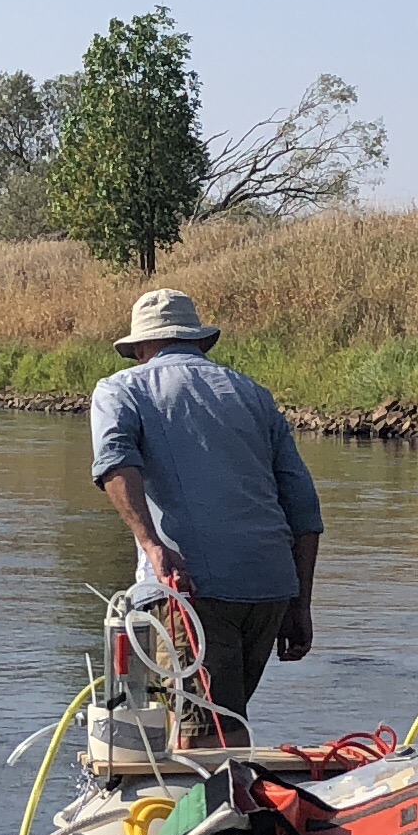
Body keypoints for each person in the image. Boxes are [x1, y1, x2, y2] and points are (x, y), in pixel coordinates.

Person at [89, 286, 324, 723]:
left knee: (206, 735)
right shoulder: (253, 394)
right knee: (225, 717)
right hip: (270, 590)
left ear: (140, 346)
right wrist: (300, 603)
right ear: (197, 340)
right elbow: (303, 507)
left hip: (189, 587)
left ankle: (214, 788)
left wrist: (153, 545)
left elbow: (115, 463)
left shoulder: (121, 390)